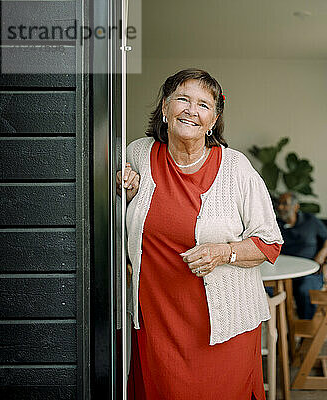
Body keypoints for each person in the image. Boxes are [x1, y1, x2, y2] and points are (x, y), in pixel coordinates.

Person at [116, 68, 283, 400]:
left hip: (222, 325)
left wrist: (224, 252)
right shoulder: (138, 154)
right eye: (182, 99)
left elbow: (269, 242)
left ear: (213, 119)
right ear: (165, 108)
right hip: (157, 319)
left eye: (203, 105)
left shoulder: (236, 168)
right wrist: (124, 188)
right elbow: (124, 209)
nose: (191, 110)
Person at [276, 192, 327, 320]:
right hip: (282, 273)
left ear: (296, 207)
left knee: (305, 291)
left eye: (284, 204)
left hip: (309, 272)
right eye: (279, 204)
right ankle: (281, 332)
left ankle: (305, 332)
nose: (280, 207)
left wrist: (320, 256)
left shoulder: (311, 221)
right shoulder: (275, 224)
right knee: (269, 292)